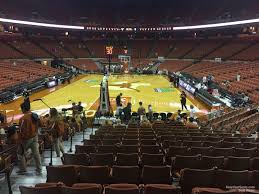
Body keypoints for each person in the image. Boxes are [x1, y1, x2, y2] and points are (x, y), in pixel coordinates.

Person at [17, 102, 42, 175]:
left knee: (19, 153)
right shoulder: (35, 115)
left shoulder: (23, 118)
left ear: (24, 109)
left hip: (27, 138)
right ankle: (39, 169)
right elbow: (41, 124)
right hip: (35, 136)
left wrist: (20, 140)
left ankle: (23, 169)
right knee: (36, 153)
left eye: (21, 109)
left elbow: (21, 130)